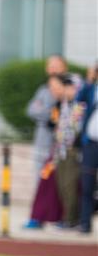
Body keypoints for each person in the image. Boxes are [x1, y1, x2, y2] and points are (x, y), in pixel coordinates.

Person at [24, 55, 69, 228]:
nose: (53, 68)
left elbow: (69, 115)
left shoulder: (71, 88)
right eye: (50, 65)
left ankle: (62, 217)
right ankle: (38, 216)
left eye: (57, 65)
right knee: (40, 180)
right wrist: (50, 114)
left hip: (61, 145)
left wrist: (49, 112)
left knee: (62, 182)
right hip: (42, 143)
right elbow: (32, 110)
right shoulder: (43, 90)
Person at [52, 74, 84, 230]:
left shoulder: (80, 105)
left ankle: (71, 219)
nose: (67, 90)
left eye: (70, 87)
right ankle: (67, 217)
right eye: (65, 87)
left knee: (70, 185)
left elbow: (76, 128)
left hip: (72, 151)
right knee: (61, 185)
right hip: (61, 151)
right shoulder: (64, 104)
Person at [76, 63, 98, 234]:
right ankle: (85, 224)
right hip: (91, 144)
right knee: (87, 184)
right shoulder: (91, 90)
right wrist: (89, 81)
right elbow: (78, 101)